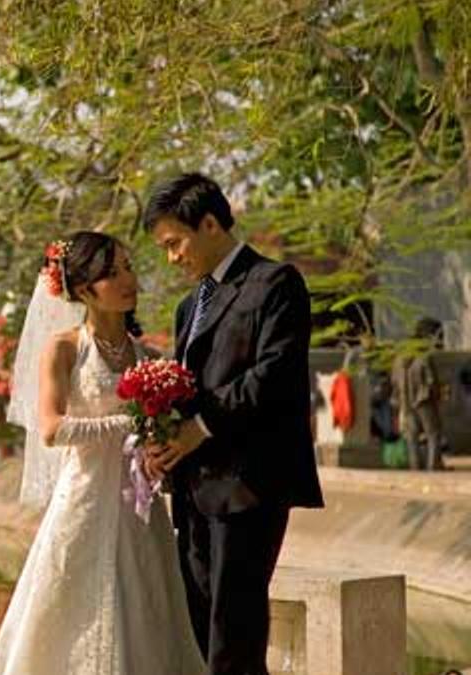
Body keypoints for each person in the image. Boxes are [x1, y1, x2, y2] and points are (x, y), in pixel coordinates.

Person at [0, 231, 205, 674]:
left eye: (128, 267)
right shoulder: (65, 349)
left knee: (144, 612)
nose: (129, 279)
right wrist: (128, 424)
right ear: (85, 290)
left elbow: (155, 438)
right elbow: (50, 428)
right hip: (83, 500)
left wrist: (155, 446)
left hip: (138, 509)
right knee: (73, 614)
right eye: (113, 273)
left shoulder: (148, 356)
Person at [144, 173, 324, 674]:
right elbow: (185, 387)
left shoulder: (275, 283)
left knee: (235, 631)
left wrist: (199, 426)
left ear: (209, 224)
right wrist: (162, 438)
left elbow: (274, 376)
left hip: (249, 483)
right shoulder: (188, 308)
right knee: (199, 626)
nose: (172, 257)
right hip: (195, 487)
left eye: (175, 243)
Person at [391, 317, 446, 471]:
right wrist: (437, 395)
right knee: (433, 433)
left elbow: (394, 382)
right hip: (424, 399)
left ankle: (415, 466)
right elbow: (431, 380)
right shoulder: (424, 357)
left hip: (406, 400)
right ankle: (434, 464)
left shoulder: (398, 360)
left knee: (412, 436)